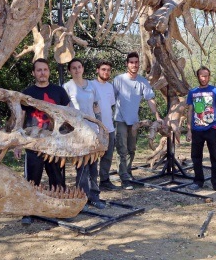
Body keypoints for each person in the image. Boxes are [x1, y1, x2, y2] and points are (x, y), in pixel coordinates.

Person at [16, 58, 71, 225]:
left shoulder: (59, 91)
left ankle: (61, 208)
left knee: (57, 178)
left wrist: (69, 138)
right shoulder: (27, 93)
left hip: (55, 143)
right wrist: (18, 142)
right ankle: (28, 211)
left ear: (49, 72)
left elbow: (68, 115)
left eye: (45, 69)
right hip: (34, 143)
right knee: (32, 178)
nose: (42, 73)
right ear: (34, 73)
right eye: (39, 70)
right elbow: (20, 118)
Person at [113, 52, 162, 190]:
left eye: (136, 62)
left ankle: (128, 172)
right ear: (127, 64)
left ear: (138, 64)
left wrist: (157, 116)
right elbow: (111, 99)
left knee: (132, 149)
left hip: (134, 121)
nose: (134, 65)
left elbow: (150, 99)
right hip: (120, 119)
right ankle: (124, 178)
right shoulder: (119, 80)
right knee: (122, 149)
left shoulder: (142, 81)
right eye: (131, 62)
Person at [63, 58, 106, 209]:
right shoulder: (67, 87)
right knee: (82, 167)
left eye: (79, 67)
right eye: (73, 68)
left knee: (94, 166)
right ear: (70, 70)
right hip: (78, 133)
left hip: (93, 131)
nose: (77, 70)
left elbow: (96, 107)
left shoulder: (92, 86)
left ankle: (94, 196)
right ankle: (82, 198)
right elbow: (66, 111)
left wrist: (100, 126)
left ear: (83, 69)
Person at [186, 66, 216, 194]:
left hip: (212, 129)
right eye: (202, 76)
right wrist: (189, 129)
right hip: (197, 130)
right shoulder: (193, 92)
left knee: (215, 158)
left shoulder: (215, 91)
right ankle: (198, 181)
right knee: (196, 157)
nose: (204, 78)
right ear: (198, 77)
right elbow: (190, 111)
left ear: (209, 77)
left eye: (206, 76)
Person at [89, 60, 121, 191]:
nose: (106, 72)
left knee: (107, 157)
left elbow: (110, 105)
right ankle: (92, 183)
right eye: (103, 69)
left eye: (108, 70)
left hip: (109, 127)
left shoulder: (110, 87)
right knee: (94, 157)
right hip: (95, 128)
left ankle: (105, 180)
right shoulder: (90, 85)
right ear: (97, 70)